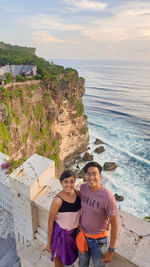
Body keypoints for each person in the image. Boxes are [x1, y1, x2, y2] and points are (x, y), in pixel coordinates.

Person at [76, 161, 118, 267]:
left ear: (100, 176)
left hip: (99, 242)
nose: (91, 177)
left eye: (94, 174)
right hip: (82, 235)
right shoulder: (83, 188)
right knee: (82, 264)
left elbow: (115, 225)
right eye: (88, 174)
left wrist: (111, 250)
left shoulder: (108, 197)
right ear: (85, 176)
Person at [46, 170, 81, 267]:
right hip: (60, 234)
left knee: (70, 258)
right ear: (61, 182)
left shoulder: (79, 195)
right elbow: (50, 222)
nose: (69, 185)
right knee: (58, 259)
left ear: (75, 182)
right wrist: (48, 243)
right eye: (66, 181)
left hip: (73, 234)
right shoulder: (57, 201)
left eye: (72, 181)